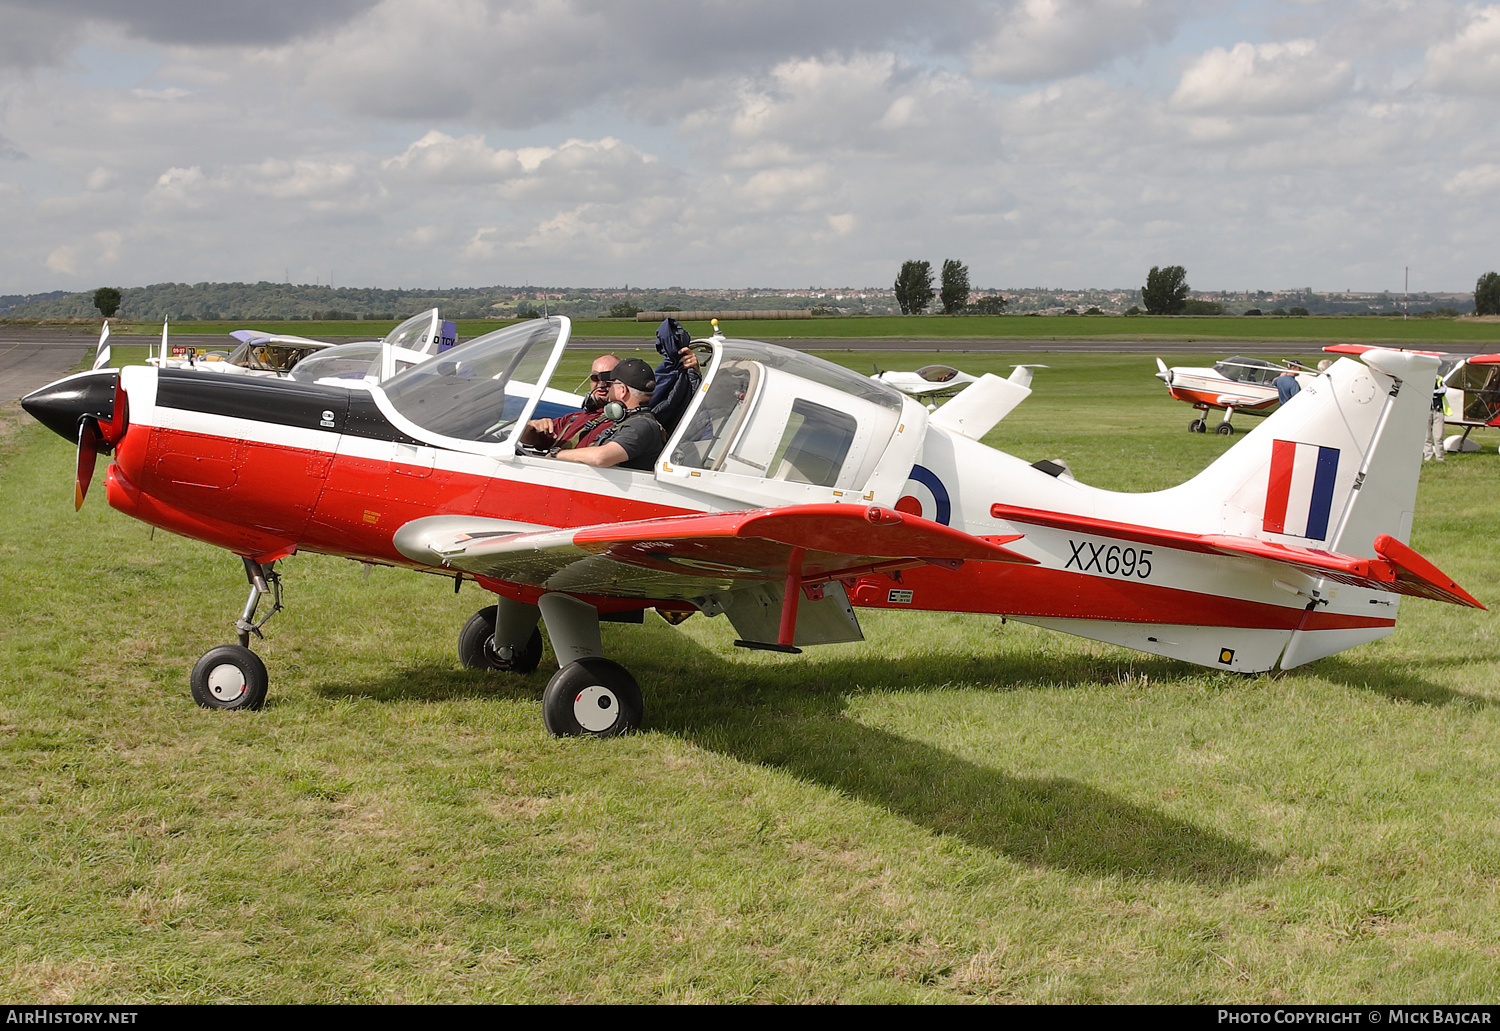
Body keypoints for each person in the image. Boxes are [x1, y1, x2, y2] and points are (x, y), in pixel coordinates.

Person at [554, 358, 667, 470]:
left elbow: (601, 457)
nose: (606, 387)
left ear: (623, 390)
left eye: (611, 384)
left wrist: (557, 455)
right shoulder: (631, 420)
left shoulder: (640, 425)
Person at [519, 353, 619, 452]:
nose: (601, 384)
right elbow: (527, 439)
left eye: (608, 378)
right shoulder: (572, 419)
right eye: (595, 378)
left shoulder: (626, 423)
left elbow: (602, 457)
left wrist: (558, 455)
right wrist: (531, 426)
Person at [1425, 372, 1450, 462]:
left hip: (1438, 410)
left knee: (1438, 436)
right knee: (1427, 437)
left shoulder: (1439, 379)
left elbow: (1443, 390)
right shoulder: (1424, 378)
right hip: (1426, 411)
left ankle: (1440, 458)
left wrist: (1433, 392)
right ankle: (1428, 457)